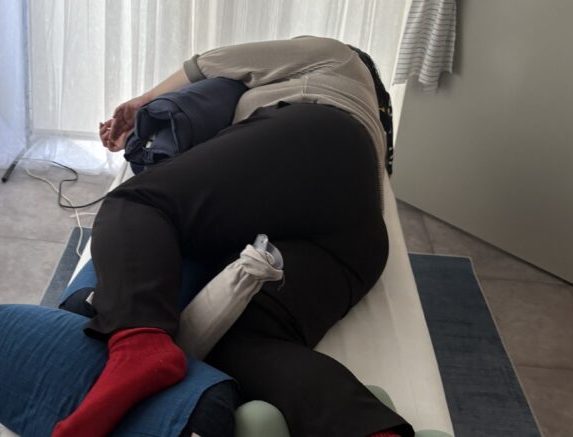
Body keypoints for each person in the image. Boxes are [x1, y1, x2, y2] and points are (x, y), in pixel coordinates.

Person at [52, 36, 414, 437]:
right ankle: (371, 430)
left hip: (316, 140)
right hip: (355, 238)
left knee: (137, 202)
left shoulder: (336, 55)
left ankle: (139, 344)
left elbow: (208, 63)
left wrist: (144, 101)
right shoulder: (367, 121)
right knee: (236, 339)